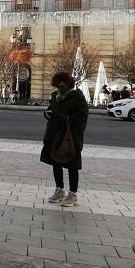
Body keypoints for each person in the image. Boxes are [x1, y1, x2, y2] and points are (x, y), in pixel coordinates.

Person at [41, 72, 89, 207]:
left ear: (68, 84)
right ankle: (59, 190)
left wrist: (61, 117)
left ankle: (73, 194)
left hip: (70, 137)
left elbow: (81, 118)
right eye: (56, 86)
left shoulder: (77, 97)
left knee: (72, 165)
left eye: (61, 85)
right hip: (54, 135)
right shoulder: (54, 96)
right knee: (55, 162)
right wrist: (48, 113)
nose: (58, 88)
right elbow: (51, 110)